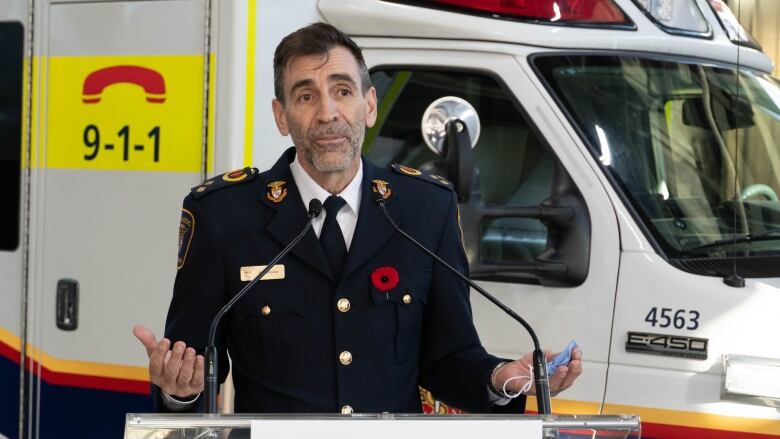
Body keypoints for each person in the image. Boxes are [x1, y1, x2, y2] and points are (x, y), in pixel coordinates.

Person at [133, 22, 582, 414]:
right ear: (281, 116)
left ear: (369, 105)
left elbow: (449, 357)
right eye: (305, 95)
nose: (327, 113)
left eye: (342, 91)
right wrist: (181, 392)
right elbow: (192, 368)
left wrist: (503, 378)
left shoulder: (425, 208)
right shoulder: (222, 215)